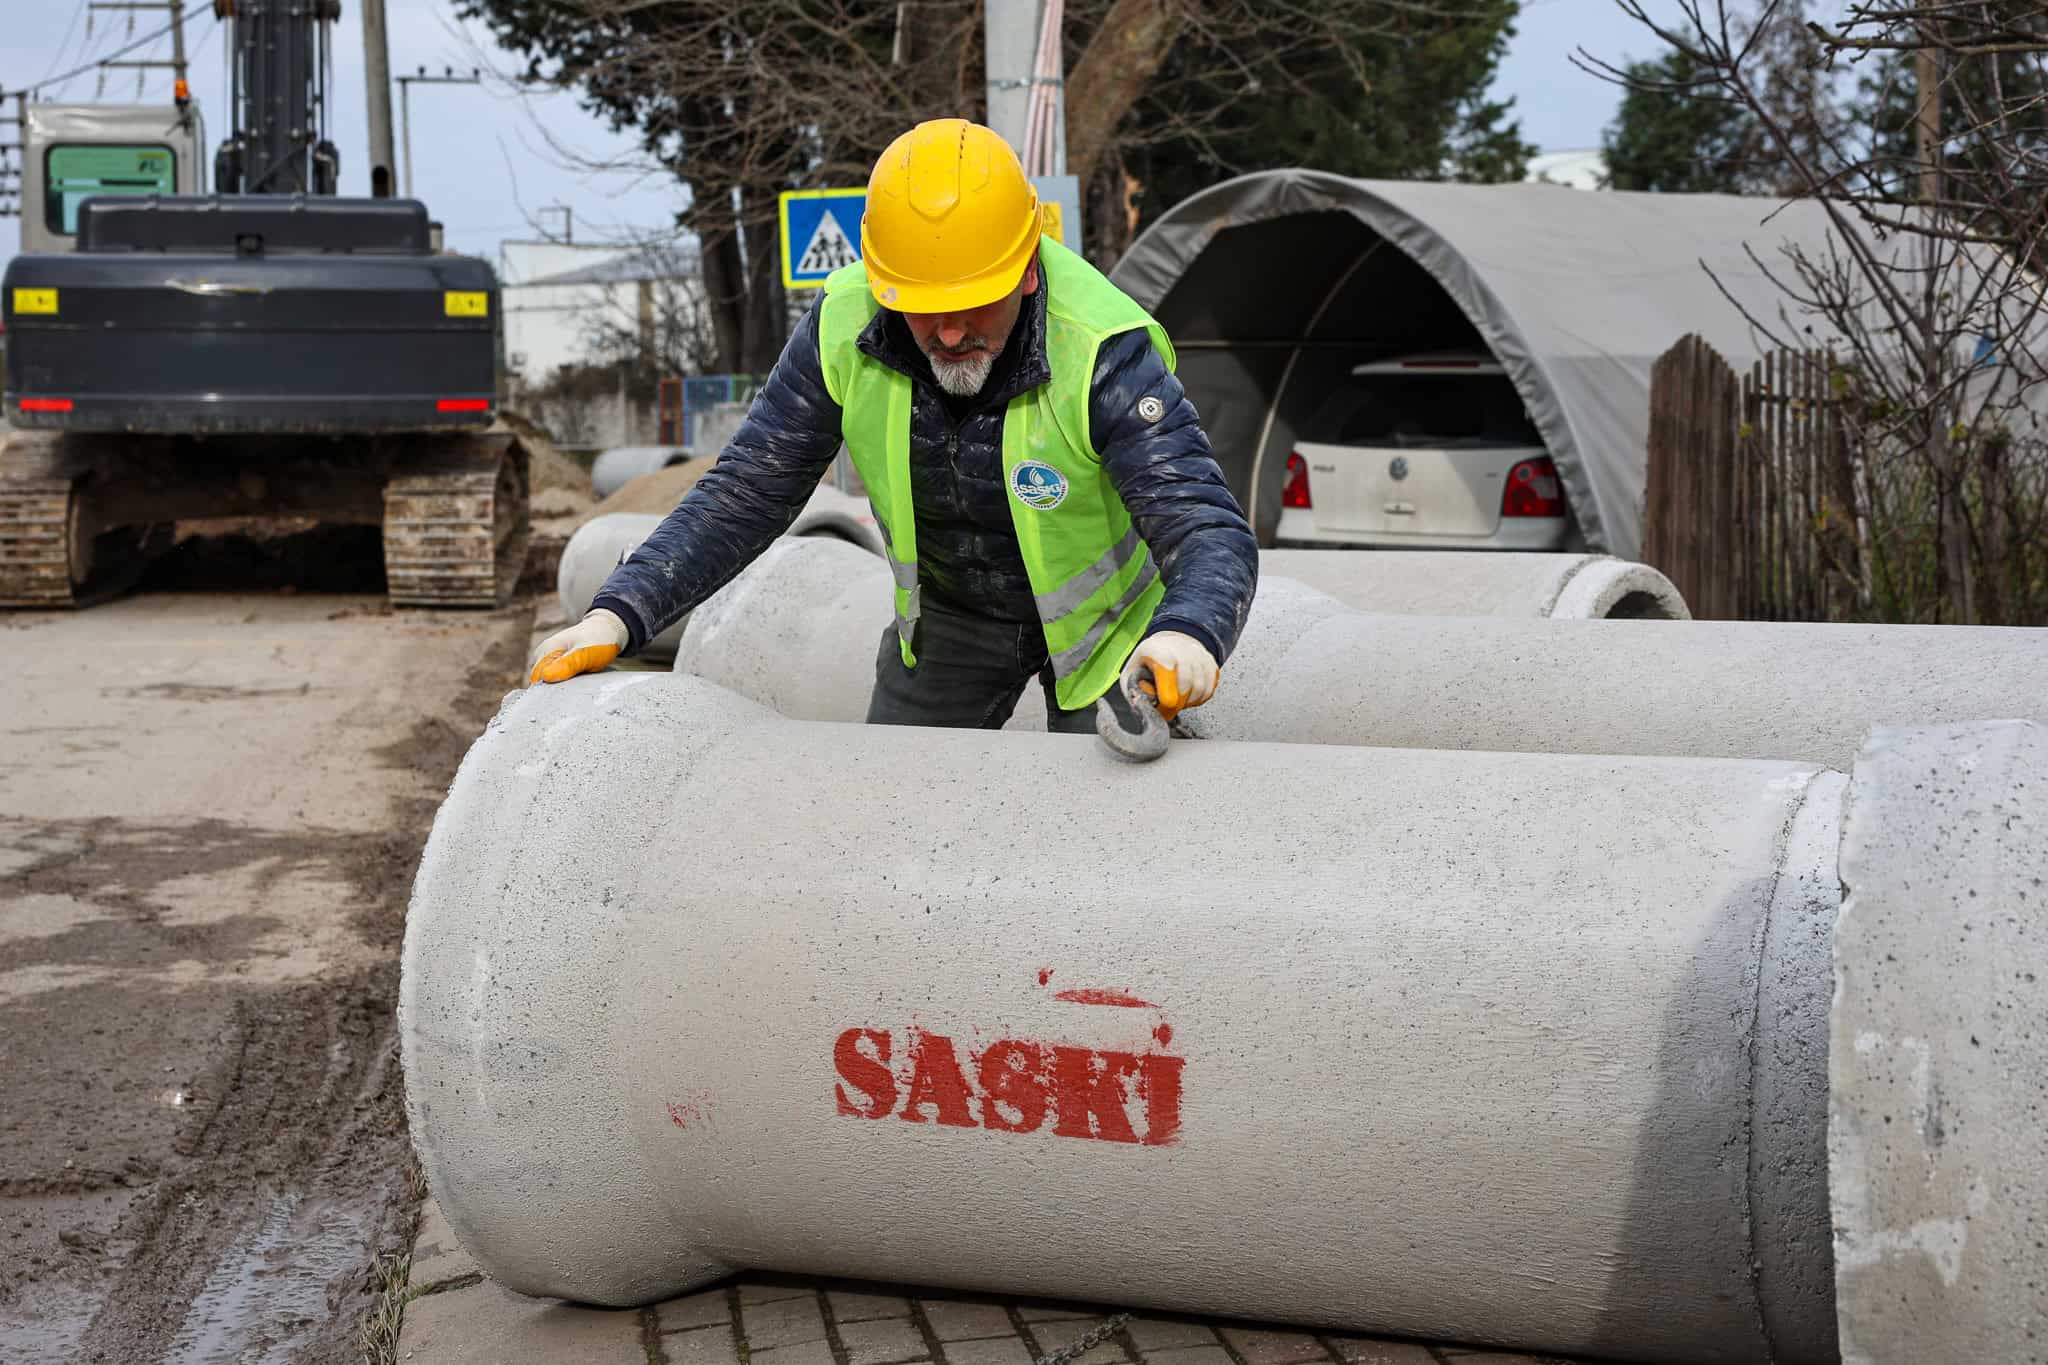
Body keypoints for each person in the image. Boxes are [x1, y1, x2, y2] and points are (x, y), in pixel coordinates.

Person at [528, 119, 1256, 731]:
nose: (949, 333)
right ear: (884, 285)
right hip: (952, 617)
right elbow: (746, 491)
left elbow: (1205, 528)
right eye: (923, 306)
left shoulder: (1103, 351)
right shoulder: (843, 329)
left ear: (1028, 270)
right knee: (892, 812)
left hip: (1108, 629)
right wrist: (619, 612)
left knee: (1111, 824)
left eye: (975, 303)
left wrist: (1188, 632)